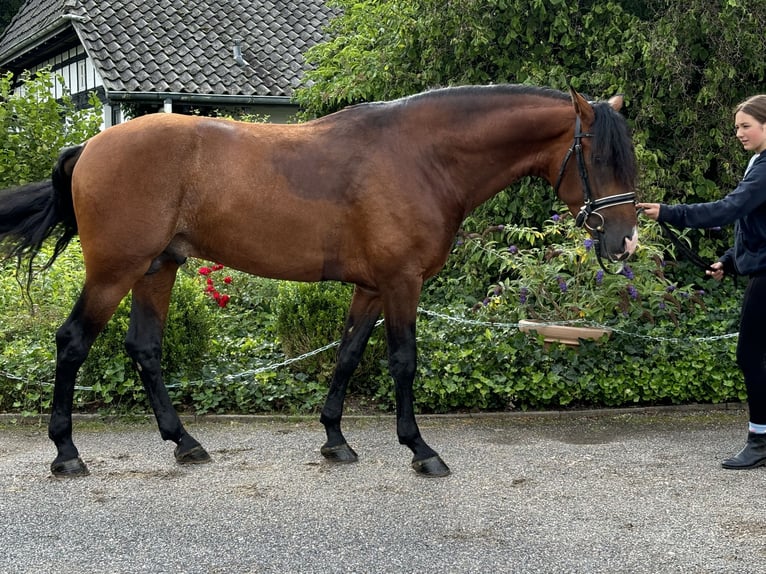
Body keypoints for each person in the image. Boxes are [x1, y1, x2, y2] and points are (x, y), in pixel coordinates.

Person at [637, 94, 766, 470]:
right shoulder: (758, 162)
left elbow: (730, 209)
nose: (739, 133)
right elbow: (754, 224)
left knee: (749, 355)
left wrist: (668, 212)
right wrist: (728, 260)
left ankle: (760, 441)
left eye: (746, 126)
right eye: (737, 127)